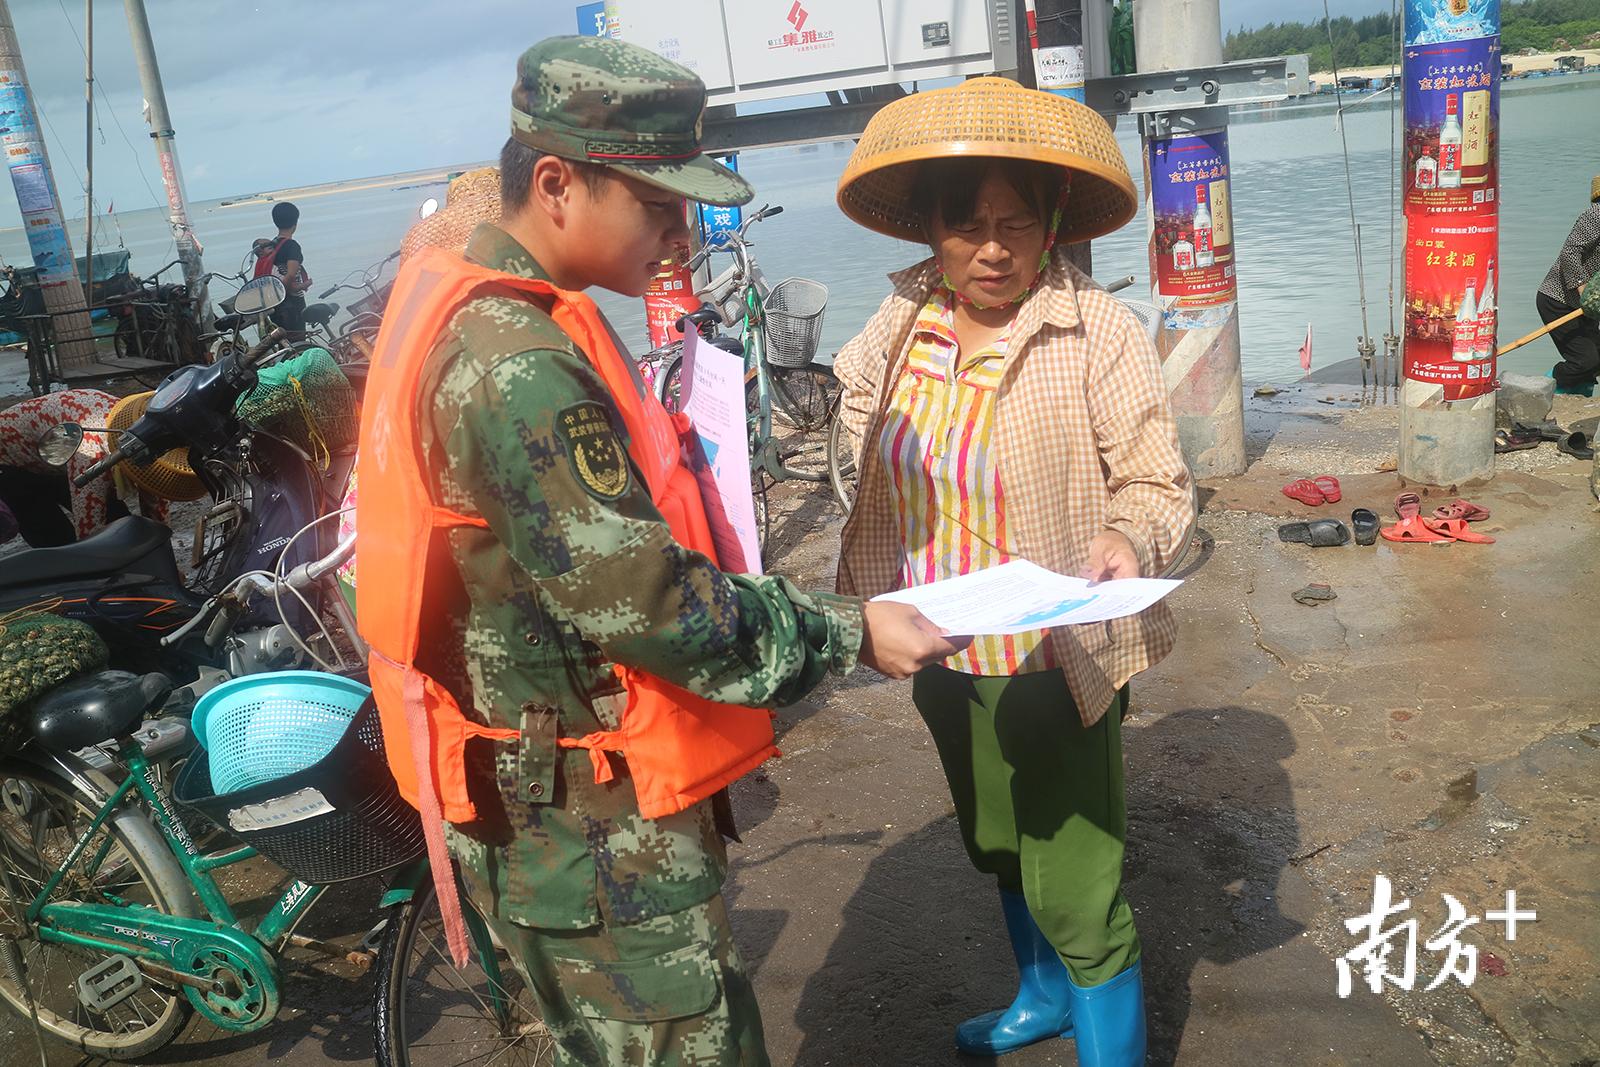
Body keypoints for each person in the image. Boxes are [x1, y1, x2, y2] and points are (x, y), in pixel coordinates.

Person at [354, 35, 965, 1065]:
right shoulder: (518, 367)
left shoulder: (457, 296)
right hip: (589, 839)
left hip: (530, 801)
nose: (682, 233)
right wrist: (850, 629)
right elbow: (648, 599)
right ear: (556, 183)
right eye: (657, 203)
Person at [832, 77, 1195, 1065]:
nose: (992, 249)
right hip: (942, 643)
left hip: (1053, 649)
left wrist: (1127, 535)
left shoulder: (1097, 331)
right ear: (932, 237)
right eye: (969, 227)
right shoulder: (901, 319)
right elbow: (851, 428)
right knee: (996, 840)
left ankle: (1108, 1043)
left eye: (1015, 225)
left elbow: (1158, 477)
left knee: (1077, 877)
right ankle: (1038, 996)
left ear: (1049, 230)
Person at [1538, 176, 1600, 396]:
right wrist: (1583, 289)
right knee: (1585, 360)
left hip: (1588, 308)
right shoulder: (1596, 216)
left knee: (1596, 359)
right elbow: (1570, 253)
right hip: (1559, 300)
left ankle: (1580, 395)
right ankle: (1547, 385)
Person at [254, 201, 310, 333]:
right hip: (292, 305)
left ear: (275, 222)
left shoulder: (271, 245)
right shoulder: (292, 246)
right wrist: (301, 286)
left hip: (274, 306)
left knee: (284, 342)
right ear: (295, 223)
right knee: (298, 341)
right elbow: (290, 275)